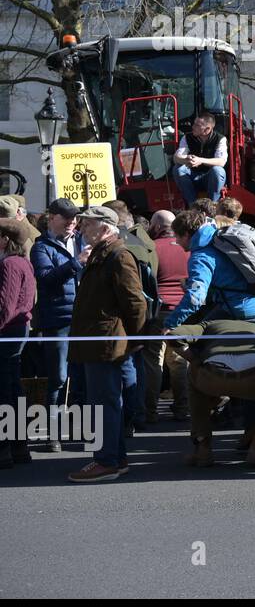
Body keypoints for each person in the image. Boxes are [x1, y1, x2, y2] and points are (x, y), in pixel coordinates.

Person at [67, 207, 149, 483]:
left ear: (104, 228)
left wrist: (137, 339)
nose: (82, 229)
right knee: (106, 401)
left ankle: (107, 461)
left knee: (104, 403)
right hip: (99, 340)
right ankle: (116, 458)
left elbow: (135, 302)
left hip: (106, 342)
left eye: (87, 224)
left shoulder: (118, 255)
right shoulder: (106, 254)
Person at [174, 318, 255, 468]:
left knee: (194, 377)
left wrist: (194, 359)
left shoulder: (207, 325)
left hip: (214, 377)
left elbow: (175, 335)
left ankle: (202, 447)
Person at [29, 198, 86, 452]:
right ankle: (53, 433)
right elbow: (45, 279)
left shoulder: (80, 240)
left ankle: (81, 430)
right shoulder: (41, 247)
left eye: (74, 218)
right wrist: (77, 263)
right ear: (52, 218)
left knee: (82, 376)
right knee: (59, 377)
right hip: (58, 319)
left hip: (83, 317)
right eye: (67, 218)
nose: (72, 222)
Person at [137, 210, 191, 423]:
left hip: (159, 311)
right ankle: (183, 407)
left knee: (153, 360)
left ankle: (150, 411)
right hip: (184, 310)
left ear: (157, 226)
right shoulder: (188, 248)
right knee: (180, 360)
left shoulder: (151, 248)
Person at [0, 219, 36, 468]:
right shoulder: (21, 261)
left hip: (8, 332)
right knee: (11, 387)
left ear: (5, 239)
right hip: (16, 330)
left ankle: (5, 447)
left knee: (4, 390)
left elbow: (6, 305)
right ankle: (18, 446)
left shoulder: (10, 264)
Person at [172, 111, 229, 205]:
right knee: (178, 168)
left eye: (197, 125)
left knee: (218, 170)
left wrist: (200, 160)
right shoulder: (187, 137)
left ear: (207, 129)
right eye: (194, 123)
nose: (193, 127)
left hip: (209, 178)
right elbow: (176, 157)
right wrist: (187, 159)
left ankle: (212, 206)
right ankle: (193, 206)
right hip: (192, 175)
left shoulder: (220, 139)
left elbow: (221, 162)